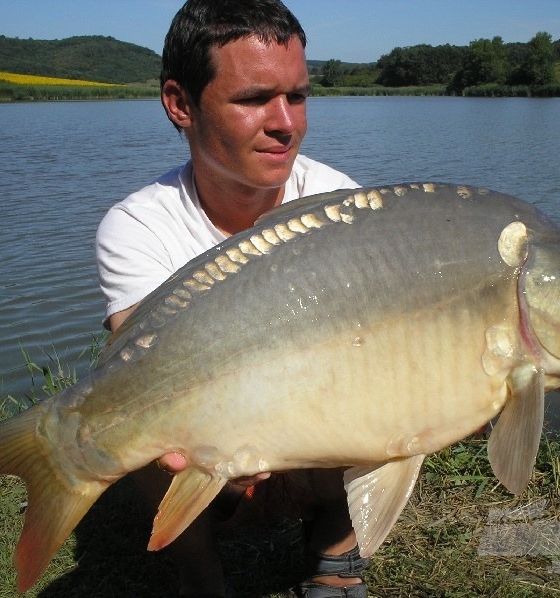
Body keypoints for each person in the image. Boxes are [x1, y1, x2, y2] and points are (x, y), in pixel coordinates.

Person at [95, 1, 368, 596]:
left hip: (314, 422)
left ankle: (334, 547)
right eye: (254, 99)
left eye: (297, 96)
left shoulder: (339, 200)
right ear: (179, 104)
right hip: (207, 438)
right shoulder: (137, 226)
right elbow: (151, 369)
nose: (286, 122)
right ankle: (202, 578)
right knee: (139, 416)